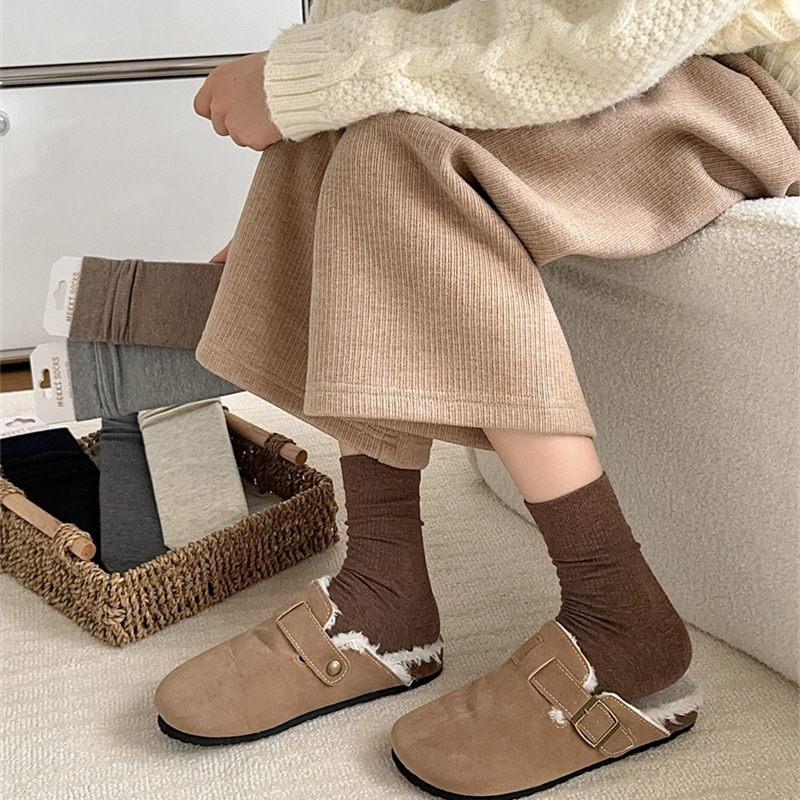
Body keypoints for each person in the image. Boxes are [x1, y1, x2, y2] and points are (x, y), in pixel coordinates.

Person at [153, 0, 799, 796]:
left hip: (724, 81)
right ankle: (384, 585)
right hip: (534, 67)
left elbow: (628, 30)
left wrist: (305, 75)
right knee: (329, 129)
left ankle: (619, 611)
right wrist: (311, 175)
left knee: (399, 153)